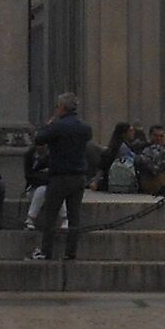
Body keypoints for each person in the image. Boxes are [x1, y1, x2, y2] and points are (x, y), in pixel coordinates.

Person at [29, 92, 92, 264]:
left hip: (60, 176)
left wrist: (48, 125)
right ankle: (70, 252)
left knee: (50, 215)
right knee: (74, 216)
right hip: (78, 176)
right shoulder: (85, 128)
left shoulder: (58, 126)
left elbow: (39, 139)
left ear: (62, 107)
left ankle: (46, 251)